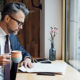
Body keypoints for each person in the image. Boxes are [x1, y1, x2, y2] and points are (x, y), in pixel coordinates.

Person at [0, 2, 33, 80]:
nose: (21, 27)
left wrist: (27, 59)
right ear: (7, 18)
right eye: (19, 23)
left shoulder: (12, 36)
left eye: (22, 24)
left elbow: (22, 52)